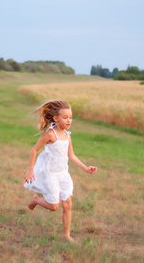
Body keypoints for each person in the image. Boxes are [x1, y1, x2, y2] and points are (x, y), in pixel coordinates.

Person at [24, 99, 97, 242]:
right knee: (54, 206)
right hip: (51, 174)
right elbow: (34, 150)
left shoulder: (67, 135)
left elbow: (72, 156)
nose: (69, 120)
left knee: (68, 204)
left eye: (70, 117)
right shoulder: (50, 134)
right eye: (65, 117)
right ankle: (37, 200)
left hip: (63, 174)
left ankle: (67, 235)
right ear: (56, 119)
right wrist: (30, 171)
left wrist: (86, 168)